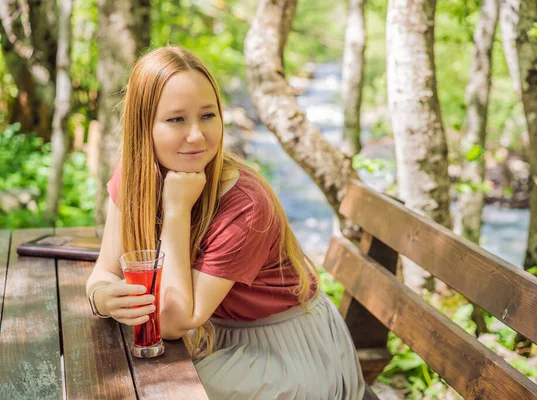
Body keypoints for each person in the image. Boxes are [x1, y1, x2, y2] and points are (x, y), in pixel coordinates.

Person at [86, 45, 365, 399]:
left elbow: (171, 322)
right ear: (145, 126)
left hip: (283, 352)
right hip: (216, 338)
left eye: (207, 115)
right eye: (176, 119)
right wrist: (103, 299)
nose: (197, 135)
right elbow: (102, 274)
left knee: (149, 392)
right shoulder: (133, 177)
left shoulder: (245, 204)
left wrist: (175, 209)